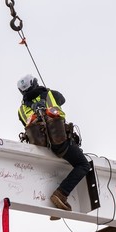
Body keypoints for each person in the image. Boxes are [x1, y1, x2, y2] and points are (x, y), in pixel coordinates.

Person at [17, 74, 90, 214]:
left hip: (41, 148)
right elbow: (62, 99)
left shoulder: (21, 110)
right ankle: (61, 194)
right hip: (60, 142)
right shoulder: (51, 94)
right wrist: (46, 91)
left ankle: (55, 209)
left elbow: (24, 124)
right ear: (35, 83)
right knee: (83, 165)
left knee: (54, 172)